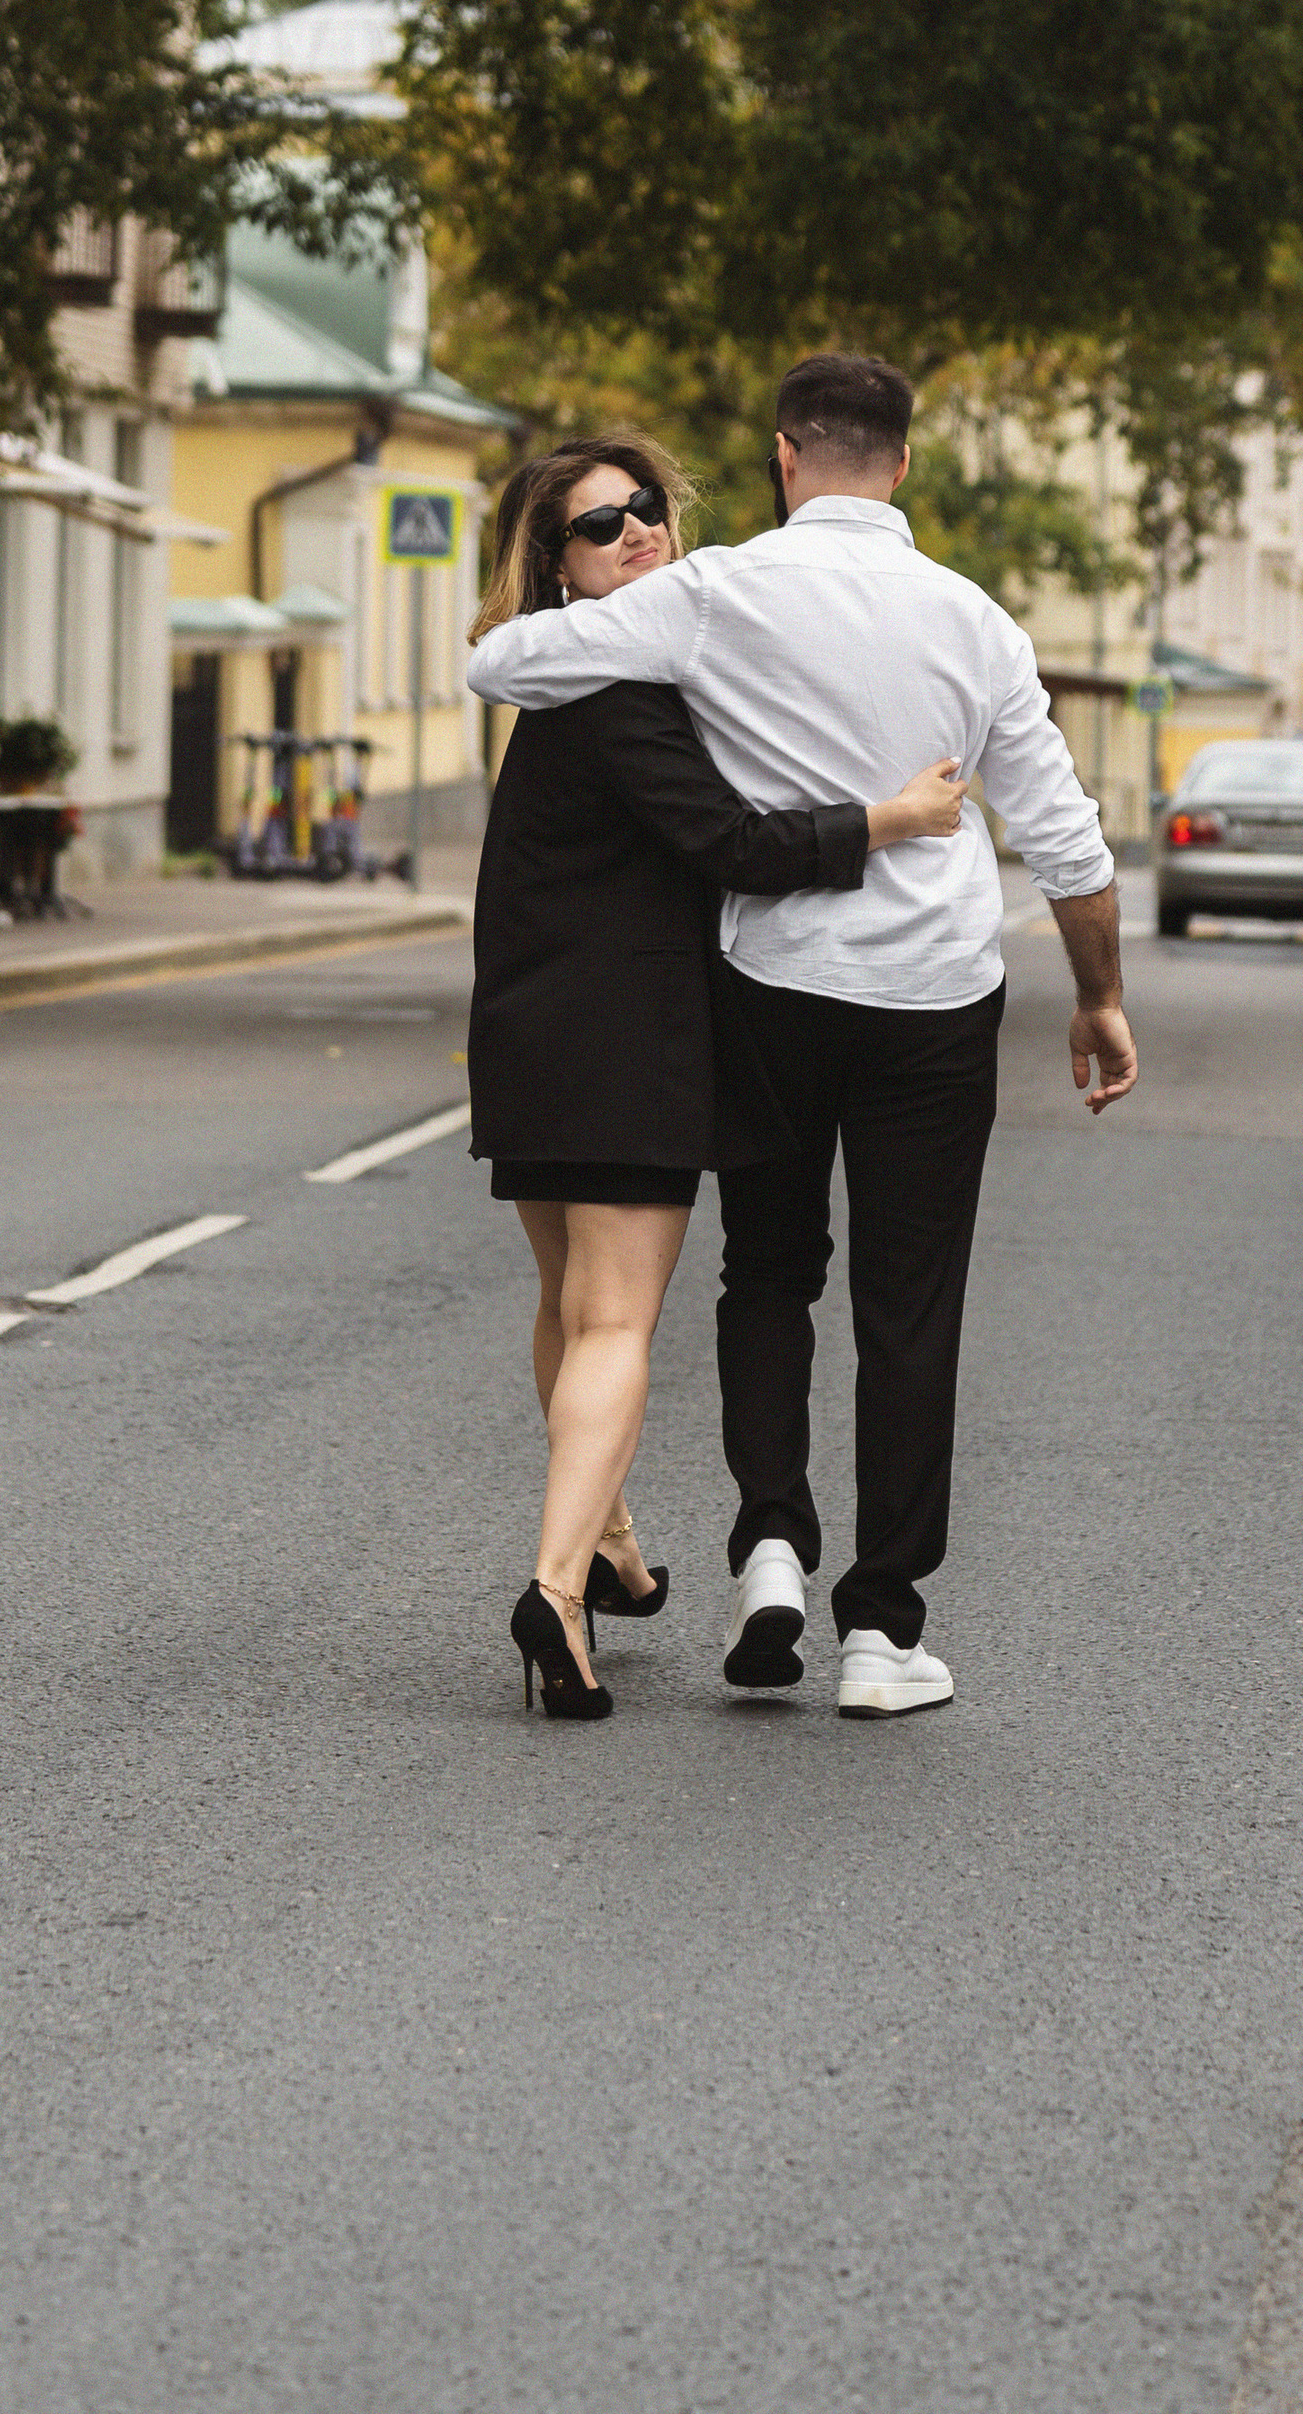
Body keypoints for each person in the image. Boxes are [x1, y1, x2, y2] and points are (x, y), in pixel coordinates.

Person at [469, 353, 1135, 1719]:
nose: (642, 530)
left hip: (769, 983)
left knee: (766, 1272)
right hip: (936, 999)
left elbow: (501, 659)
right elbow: (1068, 844)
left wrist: (603, 612)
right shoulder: (978, 620)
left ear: (785, 456)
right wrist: (1099, 993)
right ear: (903, 461)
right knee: (911, 1307)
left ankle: (767, 1544)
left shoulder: (714, 595)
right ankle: (883, 1631)